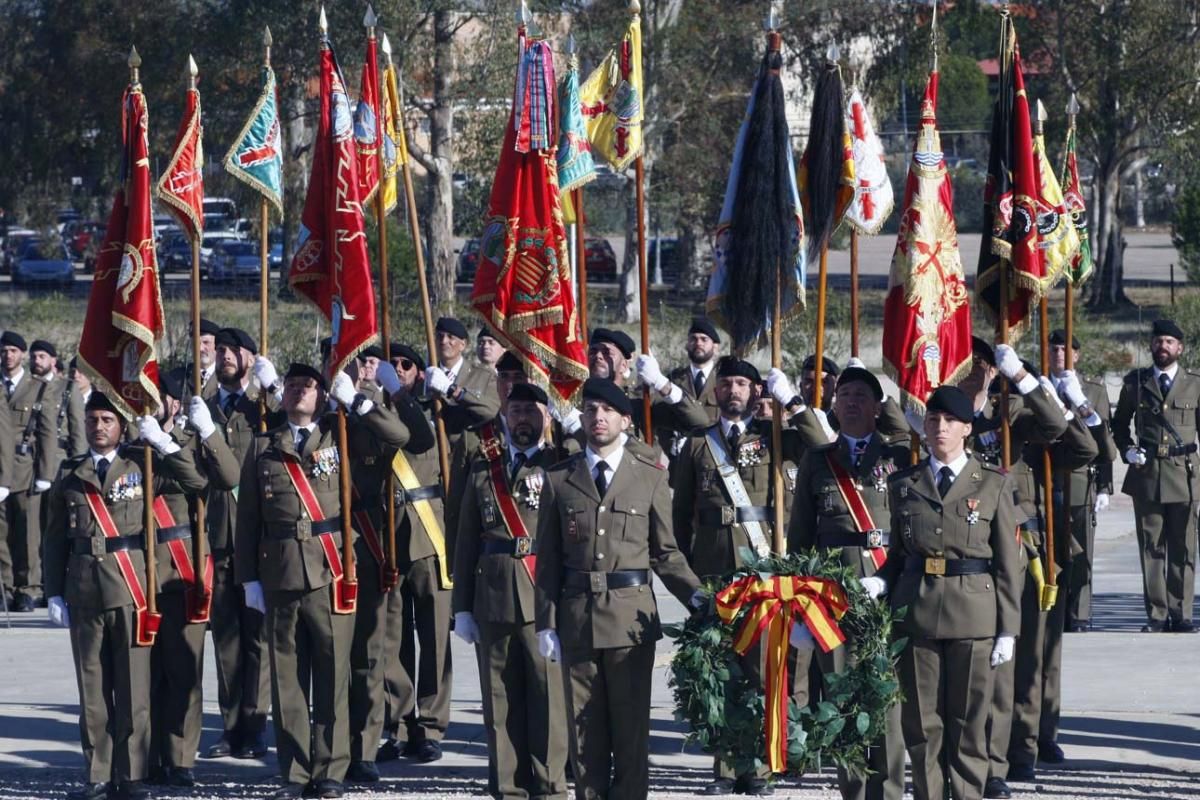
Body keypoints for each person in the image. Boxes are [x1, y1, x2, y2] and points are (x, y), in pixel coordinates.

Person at [235, 363, 411, 799]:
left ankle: (331, 769)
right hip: (279, 574)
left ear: (322, 395)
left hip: (331, 574)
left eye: (308, 386)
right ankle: (295, 771)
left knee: (333, 675)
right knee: (288, 681)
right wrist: (248, 580)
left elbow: (398, 436)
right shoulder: (262, 447)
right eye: (291, 386)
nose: (298, 392)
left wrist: (357, 400)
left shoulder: (342, 437)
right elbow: (248, 521)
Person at [535, 377, 702, 800]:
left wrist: (699, 598)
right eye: (590, 410)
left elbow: (665, 552)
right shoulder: (560, 479)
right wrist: (545, 624)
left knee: (630, 732)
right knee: (584, 732)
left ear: (626, 421)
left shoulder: (647, 476)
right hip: (577, 620)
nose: (598, 417)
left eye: (608, 411)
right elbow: (549, 561)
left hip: (630, 622)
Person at [42, 391, 210, 800]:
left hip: (133, 588)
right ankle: (98, 773)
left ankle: (131, 773)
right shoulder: (70, 472)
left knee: (135, 687)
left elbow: (196, 481)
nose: (98, 427)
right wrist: (53, 593)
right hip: (84, 589)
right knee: (93, 688)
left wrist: (163, 444)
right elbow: (54, 539)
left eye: (107, 420)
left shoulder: (143, 464)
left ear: (122, 425)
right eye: (92, 419)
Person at [867, 385, 1020, 800]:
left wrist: (1008, 630)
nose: (940, 427)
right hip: (916, 612)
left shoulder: (992, 483)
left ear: (967, 429)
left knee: (969, 722)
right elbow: (899, 553)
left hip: (974, 614)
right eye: (933, 420)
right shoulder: (905, 483)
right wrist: (882, 579)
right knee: (922, 724)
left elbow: (1008, 563)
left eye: (950, 421)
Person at [787, 365, 908, 800]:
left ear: (877, 407)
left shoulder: (899, 456)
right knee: (842, 702)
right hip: (831, 602)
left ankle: (888, 792)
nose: (850, 402)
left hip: (885, 591)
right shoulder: (817, 460)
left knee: (885, 703)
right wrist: (800, 606)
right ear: (832, 406)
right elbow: (799, 539)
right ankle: (853, 791)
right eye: (843, 395)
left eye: (860, 395)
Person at [455, 382, 569, 799]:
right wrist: (461, 607)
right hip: (494, 594)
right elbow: (466, 540)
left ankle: (550, 785)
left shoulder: (562, 464)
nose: (522, 418)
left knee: (549, 700)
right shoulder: (485, 468)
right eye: (515, 410)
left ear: (547, 417)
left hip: (543, 594)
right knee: (499, 700)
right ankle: (507, 786)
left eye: (531, 411)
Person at [139, 373, 240, 788]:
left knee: (183, 669)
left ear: (173, 401)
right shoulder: (131, 439)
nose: (150, 405)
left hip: (183, 567)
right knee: (143, 675)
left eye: (157, 397)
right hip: (139, 568)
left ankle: (180, 758)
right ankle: (143, 757)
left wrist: (202, 432)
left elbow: (224, 478)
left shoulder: (194, 435)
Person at [345, 356, 435, 782]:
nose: (366, 369)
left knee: (387, 639)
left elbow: (415, 438)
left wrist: (385, 396)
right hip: (347, 540)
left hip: (390, 537)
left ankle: (406, 724)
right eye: (354, 361)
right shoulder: (329, 407)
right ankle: (379, 728)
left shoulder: (390, 405)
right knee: (369, 646)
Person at [377, 342, 458, 765]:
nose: (398, 370)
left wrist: (404, 395)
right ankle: (398, 722)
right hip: (388, 538)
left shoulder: (434, 411)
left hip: (429, 536)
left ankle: (430, 725)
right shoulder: (369, 410)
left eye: (406, 365)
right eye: (391, 365)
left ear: (418, 373)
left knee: (433, 638)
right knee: (392, 640)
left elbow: (422, 438)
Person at [202, 328, 277, 760]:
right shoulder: (207, 407)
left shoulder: (263, 407)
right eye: (222, 350)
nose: (226, 356)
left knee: (258, 641)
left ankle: (255, 725)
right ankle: (229, 727)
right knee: (227, 640)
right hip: (217, 538)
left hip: (259, 538)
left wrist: (272, 387)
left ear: (251, 356)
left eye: (234, 350)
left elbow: (302, 425)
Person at [1111, 318, 1199, 633]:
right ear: (1151, 345)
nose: (1163, 346)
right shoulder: (1136, 383)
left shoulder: (1194, 383)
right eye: (1158, 341)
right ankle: (1157, 614)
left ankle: (1182, 613)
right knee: (1151, 548)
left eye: (1169, 342)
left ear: (1180, 348)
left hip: (1184, 475)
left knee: (1184, 548)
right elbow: (1119, 425)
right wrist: (1127, 450)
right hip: (1147, 475)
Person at [1048, 330, 1117, 632]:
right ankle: (1054, 609)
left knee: (1081, 551)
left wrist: (1104, 485)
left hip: (1080, 481)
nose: (1058, 354)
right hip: (1046, 479)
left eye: (1065, 349)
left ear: (1076, 355)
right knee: (1050, 548)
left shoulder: (1093, 391)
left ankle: (1080, 613)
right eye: (1053, 349)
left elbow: (1104, 439)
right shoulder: (1038, 387)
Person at [1, 330, 58, 612]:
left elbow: (48, 432)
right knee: (1, 533)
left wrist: (46, 473)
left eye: (13, 351)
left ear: (22, 355)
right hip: (0, 469)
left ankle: (28, 588)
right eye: (4, 351)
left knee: (27, 533)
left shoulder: (39, 388)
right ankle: (6, 586)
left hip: (25, 470)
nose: (7, 356)